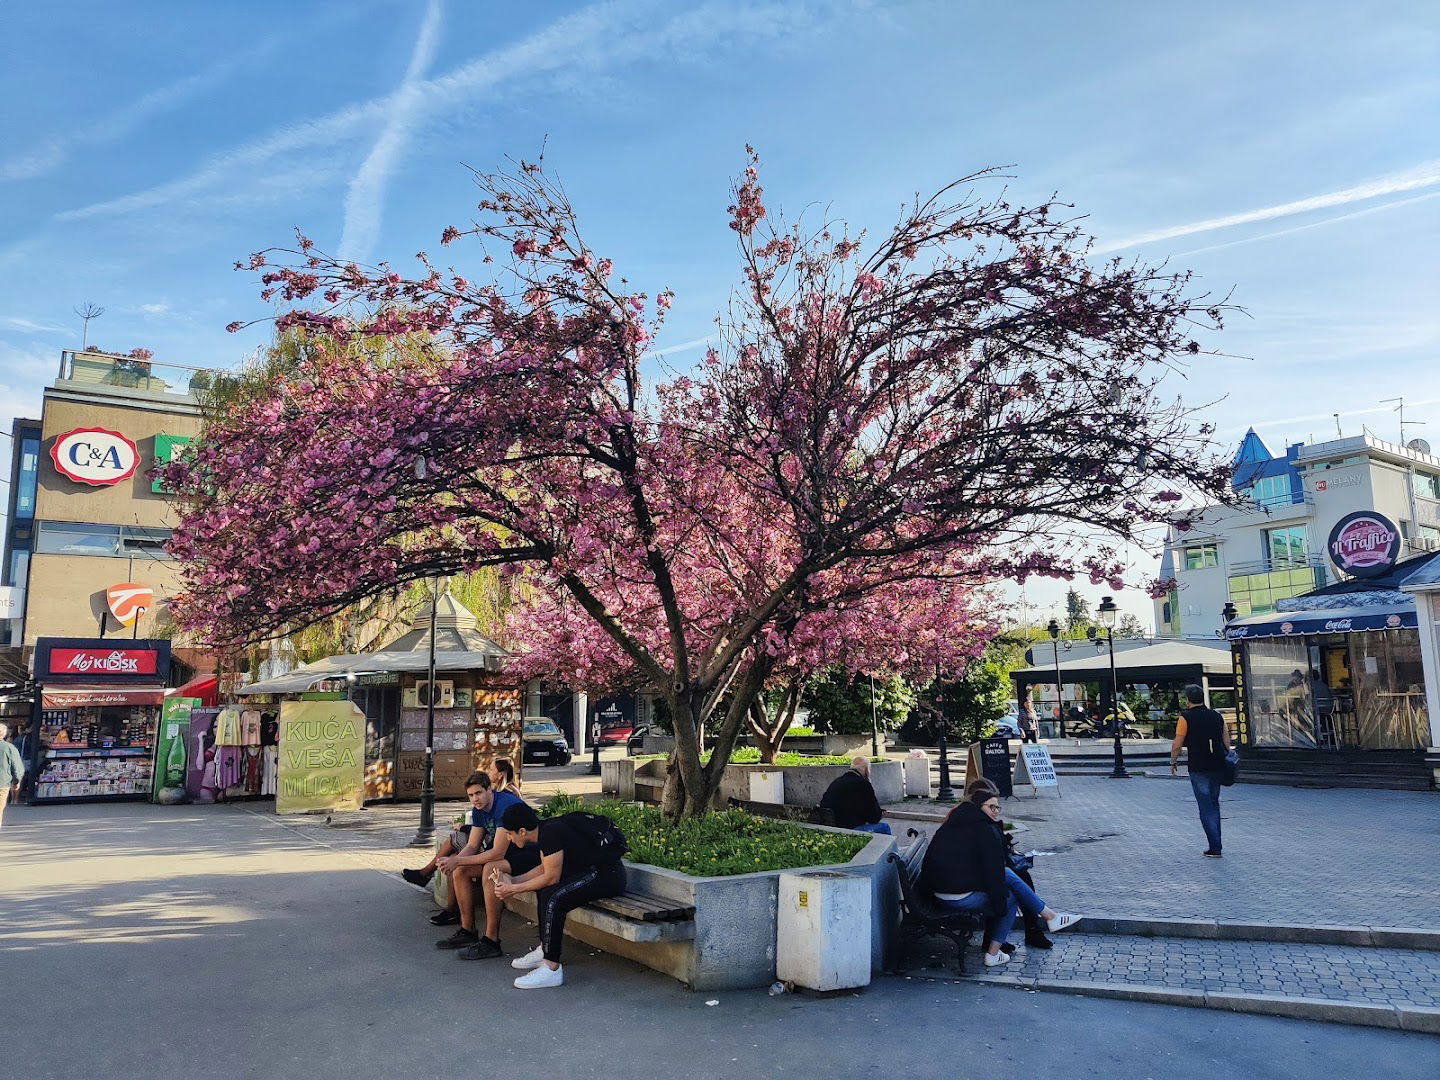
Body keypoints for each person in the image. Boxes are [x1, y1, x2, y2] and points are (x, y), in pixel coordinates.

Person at [920, 783, 1080, 968]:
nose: (996, 811)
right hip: (955, 896)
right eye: (991, 807)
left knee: (1007, 877)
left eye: (998, 807)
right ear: (979, 807)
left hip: (942, 890)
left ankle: (1049, 916)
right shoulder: (982, 829)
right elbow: (992, 870)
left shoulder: (958, 822)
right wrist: (1000, 904)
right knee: (1010, 895)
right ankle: (996, 951)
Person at [492, 802, 627, 989]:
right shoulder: (546, 830)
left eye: (509, 833)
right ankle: (545, 949)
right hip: (591, 872)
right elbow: (543, 868)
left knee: (555, 898)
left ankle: (552, 968)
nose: (508, 837)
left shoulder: (550, 833)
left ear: (522, 831)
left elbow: (551, 877)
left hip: (607, 876)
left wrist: (513, 889)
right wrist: (514, 881)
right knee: (544, 891)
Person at [963, 778, 1053, 952]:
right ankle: (1033, 926)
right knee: (1011, 882)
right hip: (971, 877)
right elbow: (984, 850)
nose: (995, 810)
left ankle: (1029, 926)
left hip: (977, 872)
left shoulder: (975, 816)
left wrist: (1007, 846)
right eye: (991, 805)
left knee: (1018, 877)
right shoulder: (971, 819)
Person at [1171, 683, 1231, 857]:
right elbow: (1225, 740)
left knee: (1205, 807)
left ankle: (1215, 846)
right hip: (1217, 764)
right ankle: (1216, 843)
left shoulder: (1185, 717)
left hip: (1198, 766)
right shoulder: (1217, 716)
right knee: (1214, 803)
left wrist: (1173, 761)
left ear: (1188, 699)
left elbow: (1177, 744)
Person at [818, 756, 891, 834]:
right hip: (850, 830)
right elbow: (874, 818)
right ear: (866, 770)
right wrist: (880, 813)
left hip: (832, 828)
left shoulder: (837, 782)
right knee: (884, 827)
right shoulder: (864, 784)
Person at [0, 722, 25, 827]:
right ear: (4, 734)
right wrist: (17, 781)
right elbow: (17, 767)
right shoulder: (9, 748)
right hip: (2, 783)